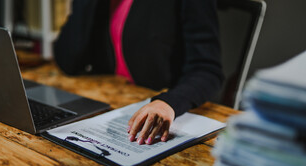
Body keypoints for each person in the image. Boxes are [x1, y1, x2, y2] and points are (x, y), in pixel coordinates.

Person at [53, 0, 223, 145]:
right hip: (110, 106)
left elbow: (207, 70)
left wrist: (168, 103)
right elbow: (68, 61)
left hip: (166, 105)